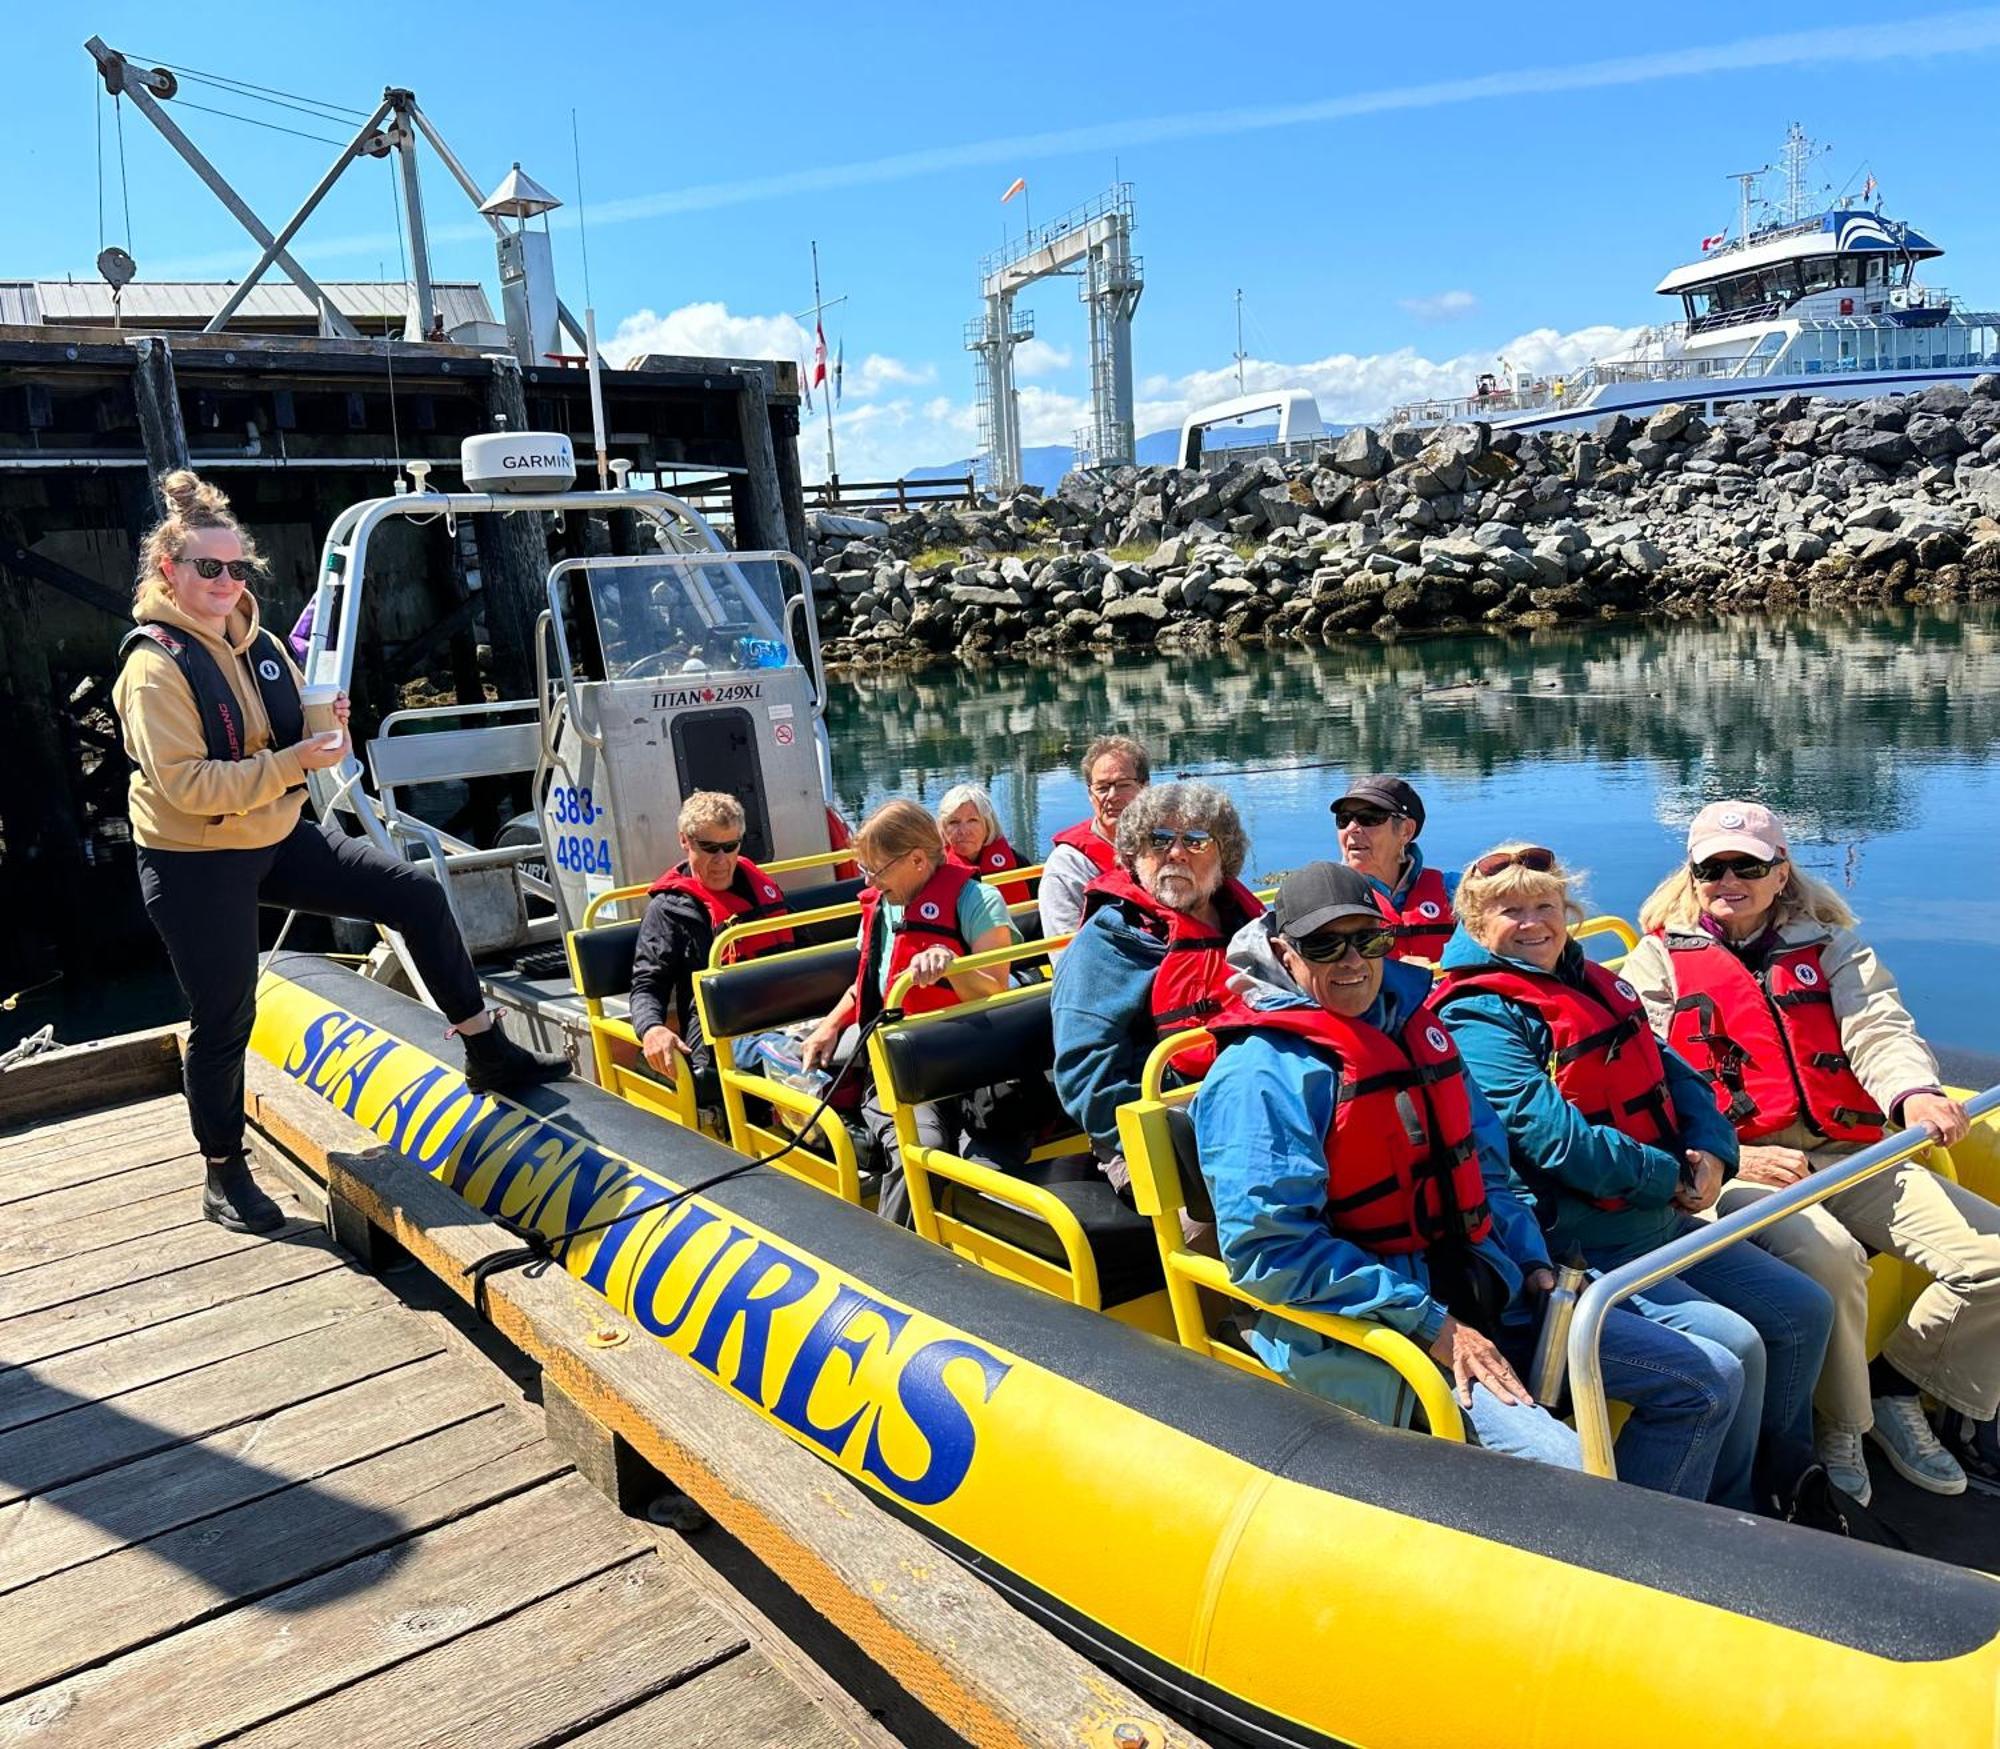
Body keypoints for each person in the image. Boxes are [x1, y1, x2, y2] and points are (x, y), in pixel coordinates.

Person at [113, 470, 567, 1236]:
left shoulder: (257, 644)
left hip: (274, 833)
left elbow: (302, 740)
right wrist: (297, 763)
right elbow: (188, 787)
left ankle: (487, 1048)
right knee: (225, 1015)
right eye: (206, 568)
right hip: (195, 858)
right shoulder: (153, 666)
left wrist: (328, 726)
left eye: (235, 568)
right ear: (169, 571)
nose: (224, 582)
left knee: (414, 893)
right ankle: (222, 1171)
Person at [1193, 864, 1739, 1492]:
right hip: (1372, 1332)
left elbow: (1488, 1175)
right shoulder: (1261, 1077)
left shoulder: (1414, 1029)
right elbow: (1271, 1251)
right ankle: (1622, 1569)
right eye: (1324, 945)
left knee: (1707, 1380)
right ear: (1284, 952)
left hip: (1484, 1289)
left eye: (1368, 940)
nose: (1352, 962)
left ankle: (1670, 1562)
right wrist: (1432, 1326)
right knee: (1578, 1475)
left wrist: (1531, 1263)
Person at [1432, 842, 1840, 1522]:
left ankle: (1783, 1477)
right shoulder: (1478, 1016)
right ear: (1477, 925)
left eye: (1546, 906)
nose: (1533, 923)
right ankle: (1718, 1514)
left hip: (1659, 1219)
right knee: (1731, 1347)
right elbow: (1553, 1137)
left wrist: (1713, 1150)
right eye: (1511, 911)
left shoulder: (1588, 980)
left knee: (1804, 1308)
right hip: (1587, 1244)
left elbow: (1676, 1072)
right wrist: (1668, 1174)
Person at [1625, 800, 2000, 1501]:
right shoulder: (1658, 960)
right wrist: (1731, 1148)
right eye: (1713, 867)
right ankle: (1843, 1423)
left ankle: (1896, 1389)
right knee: (1829, 1255)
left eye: (1747, 866)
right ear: (1694, 874)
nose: (1728, 879)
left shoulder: (1832, 947)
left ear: (1780, 871)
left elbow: (1877, 1028)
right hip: (1743, 1164)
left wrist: (1914, 1092)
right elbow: (1647, 1074)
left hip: (1848, 1151)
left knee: (1992, 1258)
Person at [799, 801, 1020, 1223]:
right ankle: (891, 1259)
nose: (869, 881)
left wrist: (951, 965)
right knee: (921, 1147)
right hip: (901, 1069)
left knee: (983, 1161)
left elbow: (996, 990)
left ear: (918, 860)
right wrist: (827, 1028)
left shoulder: (980, 901)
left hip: (972, 1066)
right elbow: (867, 985)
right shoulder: (881, 907)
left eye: (875, 870)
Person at [1050, 782, 1263, 1207]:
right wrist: (1189, 1132)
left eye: (1196, 840)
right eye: (1159, 840)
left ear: (1224, 856)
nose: (1177, 853)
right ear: (1133, 855)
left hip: (1257, 1108)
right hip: (1152, 1133)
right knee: (1245, 1216)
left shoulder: (1249, 929)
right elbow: (1085, 1078)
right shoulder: (1107, 943)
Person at [629, 791, 794, 1117]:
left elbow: (802, 950)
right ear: (685, 841)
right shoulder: (667, 910)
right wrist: (652, 1028)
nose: (721, 859)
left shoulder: (760, 890)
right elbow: (648, 983)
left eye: (730, 846)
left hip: (785, 1016)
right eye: (709, 848)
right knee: (786, 1060)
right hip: (720, 1033)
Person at [1331, 774, 1456, 961]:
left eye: (1369, 818)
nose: (1352, 828)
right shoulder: (1327, 898)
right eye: (1344, 819)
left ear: (1406, 831)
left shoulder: (1454, 891)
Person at [1038, 734, 1149, 938]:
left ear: (1144, 787)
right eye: (1102, 788)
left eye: (1123, 784)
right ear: (1090, 795)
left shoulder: (1171, 846)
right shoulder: (1068, 866)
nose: (1112, 796)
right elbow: (1067, 957)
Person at [938, 783, 1032, 905]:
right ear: (943, 828)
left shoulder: (1018, 864)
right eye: (954, 822)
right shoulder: (932, 870)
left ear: (988, 825)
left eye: (972, 820)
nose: (963, 831)